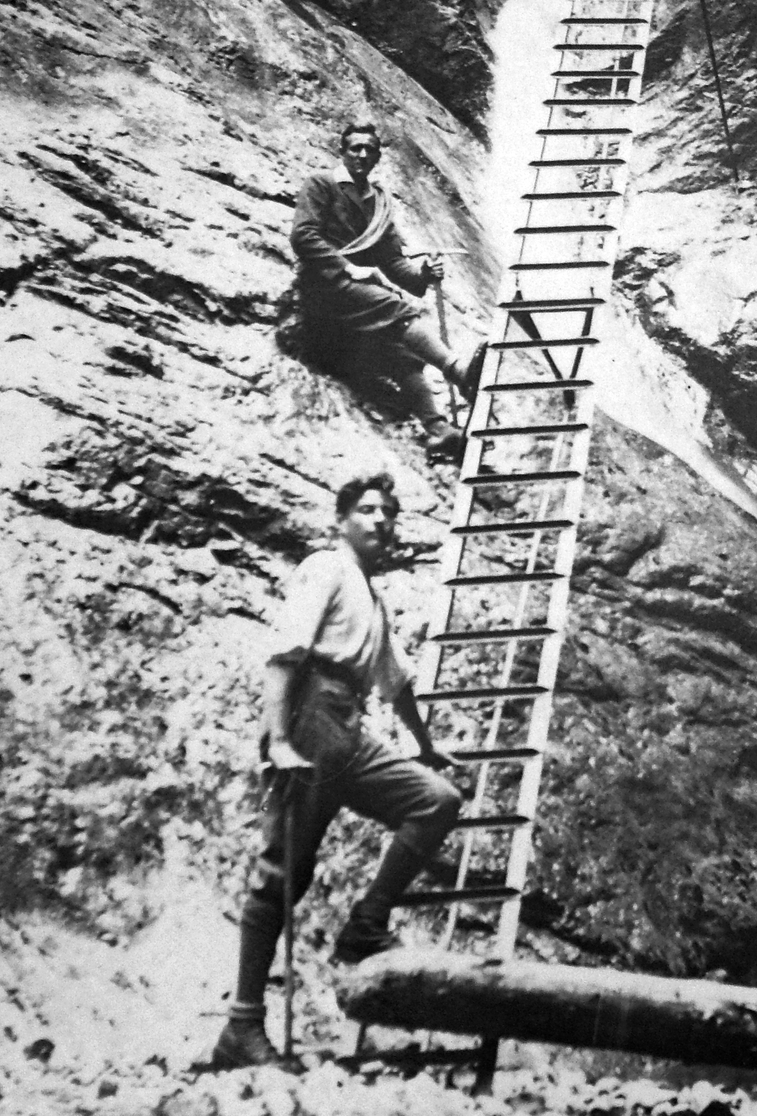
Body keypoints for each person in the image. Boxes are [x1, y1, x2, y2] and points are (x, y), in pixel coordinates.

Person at [212, 472, 464, 1070]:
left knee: (435, 800)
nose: (382, 522)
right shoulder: (325, 568)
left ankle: (364, 925)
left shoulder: (371, 596)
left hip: (350, 725)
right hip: (311, 716)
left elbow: (395, 681)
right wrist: (276, 739)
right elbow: (285, 654)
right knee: (283, 873)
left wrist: (424, 747)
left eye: (390, 514)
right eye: (369, 510)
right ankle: (241, 1029)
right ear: (343, 520)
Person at [291, 119, 484, 460]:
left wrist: (423, 274)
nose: (362, 155)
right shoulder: (321, 184)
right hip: (323, 289)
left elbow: (393, 264)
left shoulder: (378, 202)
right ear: (343, 152)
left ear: (378, 157)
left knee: (402, 355)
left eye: (370, 150)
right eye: (355, 148)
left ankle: (439, 431)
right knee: (395, 308)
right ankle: (458, 371)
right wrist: (348, 266)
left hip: (356, 302)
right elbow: (304, 236)